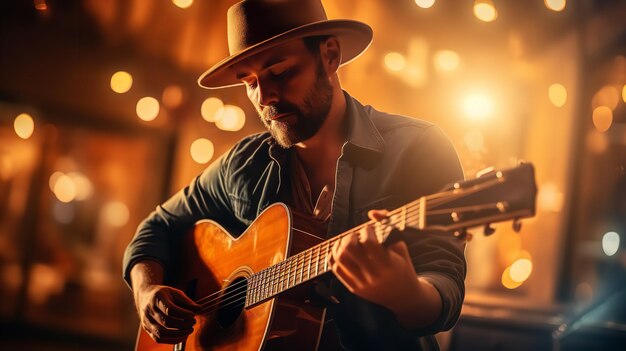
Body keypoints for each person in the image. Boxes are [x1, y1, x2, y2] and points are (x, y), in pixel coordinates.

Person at [123, 0, 466, 350]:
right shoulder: (244, 163)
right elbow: (157, 227)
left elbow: (445, 286)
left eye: (281, 72)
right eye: (249, 82)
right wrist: (146, 290)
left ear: (330, 56)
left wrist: (405, 293)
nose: (264, 97)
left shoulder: (417, 149)